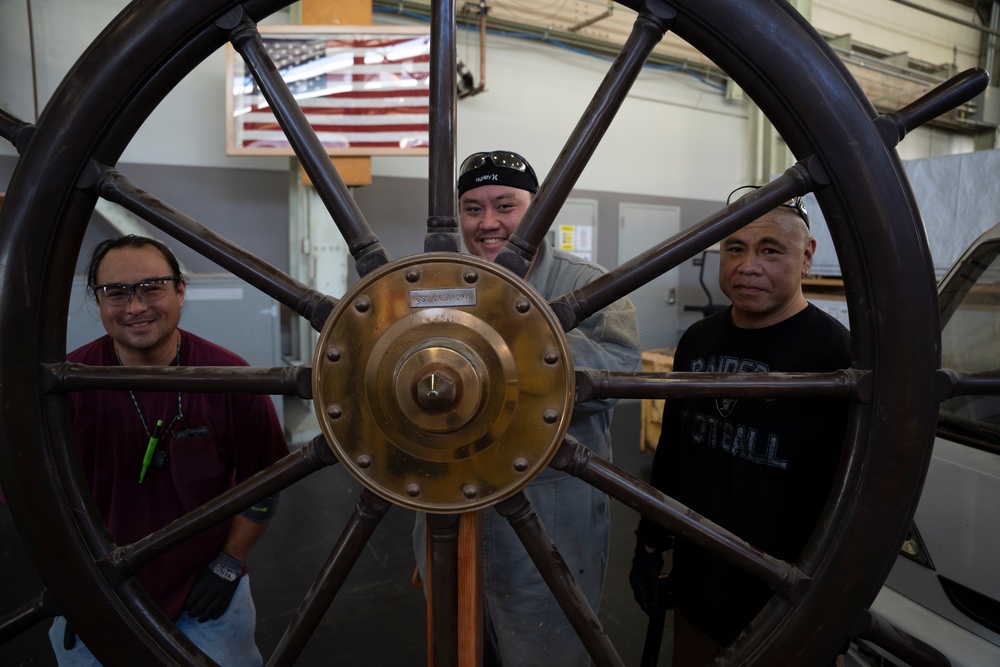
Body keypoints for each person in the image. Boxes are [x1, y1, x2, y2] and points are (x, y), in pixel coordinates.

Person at [413, 150, 642, 666]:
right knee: (461, 647)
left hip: (550, 517)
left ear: (538, 211)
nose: (488, 223)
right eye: (472, 208)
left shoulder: (587, 284)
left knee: (547, 649)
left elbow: (621, 373)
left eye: (505, 205)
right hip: (451, 507)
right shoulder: (436, 282)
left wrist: (505, 355)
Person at [630, 186, 851, 666]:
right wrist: (651, 539)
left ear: (807, 255)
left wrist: (830, 598)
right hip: (697, 587)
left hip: (783, 602)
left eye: (770, 249)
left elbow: (847, 497)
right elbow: (674, 449)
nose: (748, 265)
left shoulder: (836, 358)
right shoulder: (697, 340)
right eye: (735, 248)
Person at [49, 235, 289, 666]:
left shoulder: (232, 379)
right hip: (97, 590)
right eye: (116, 292)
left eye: (152, 287)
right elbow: (38, 500)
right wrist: (70, 581)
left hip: (207, 591)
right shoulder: (66, 390)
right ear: (97, 301)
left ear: (181, 291)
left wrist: (230, 563)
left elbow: (265, 483)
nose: (135, 307)